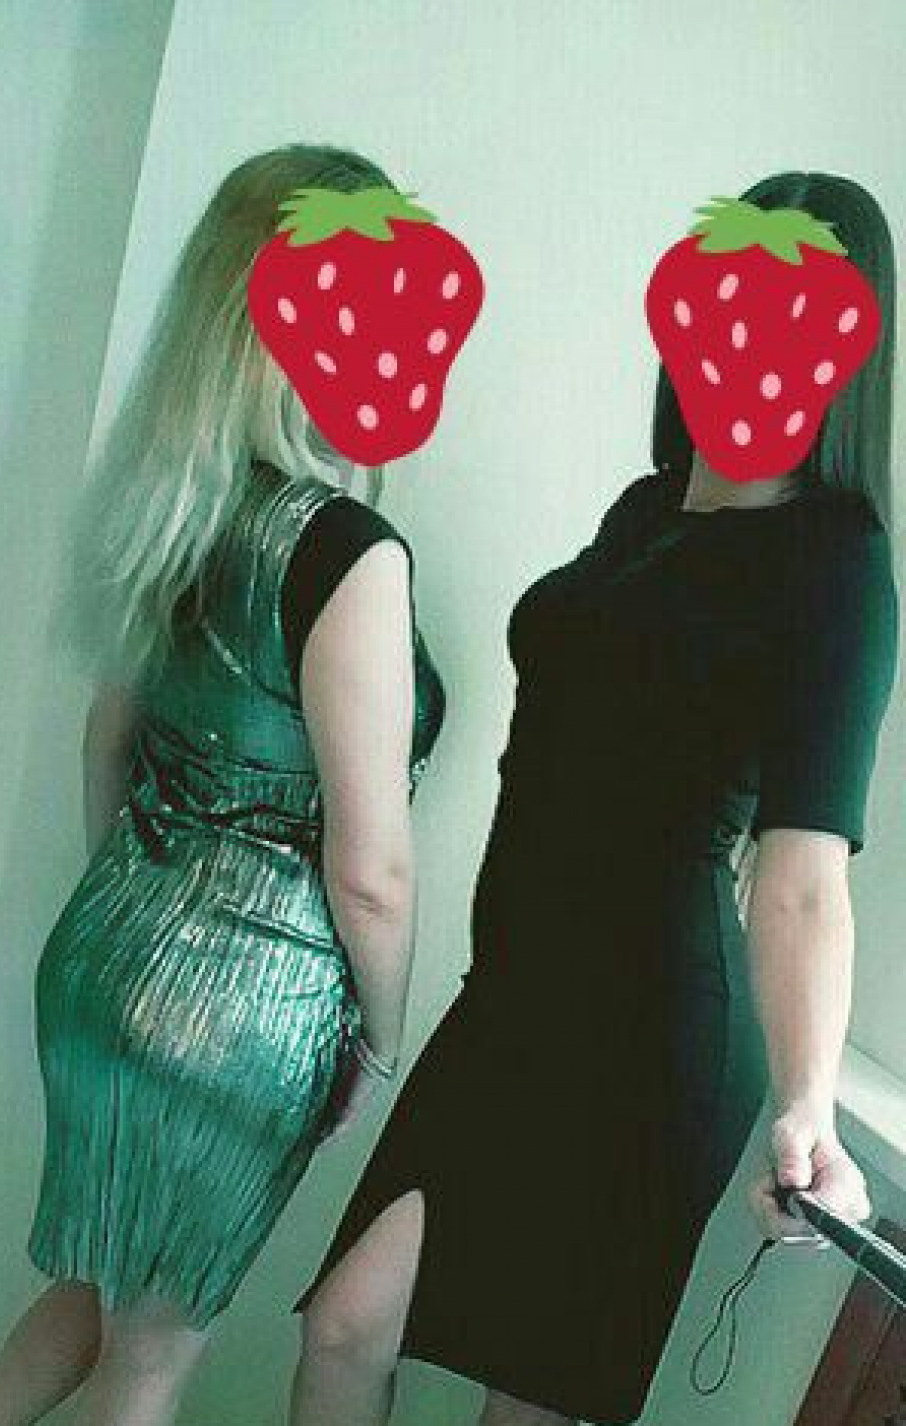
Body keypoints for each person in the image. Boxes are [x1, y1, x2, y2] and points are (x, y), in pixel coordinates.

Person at [287, 172, 900, 1426]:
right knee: (348, 1324)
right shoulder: (647, 508)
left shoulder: (838, 566)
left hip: (647, 1034)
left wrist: (801, 1102)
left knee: (528, 1395)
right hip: (516, 995)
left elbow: (801, 879)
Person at [0, 143, 446, 1426]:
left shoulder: (172, 504)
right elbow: (372, 872)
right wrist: (376, 1039)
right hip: (246, 1010)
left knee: (88, 1287)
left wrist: (136, 931)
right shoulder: (345, 552)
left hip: (104, 953)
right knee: (155, 1352)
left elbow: (103, 743)